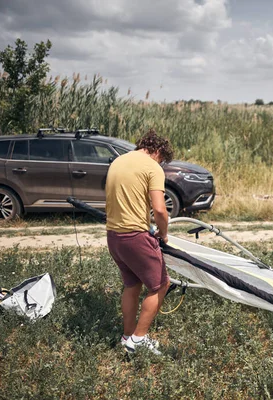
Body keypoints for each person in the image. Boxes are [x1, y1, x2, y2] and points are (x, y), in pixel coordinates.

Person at [105, 129, 174, 355]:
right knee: (161, 285)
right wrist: (163, 233)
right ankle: (139, 339)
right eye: (162, 160)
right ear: (157, 152)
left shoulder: (118, 161)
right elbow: (160, 210)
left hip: (114, 236)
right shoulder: (151, 167)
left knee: (132, 285)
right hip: (135, 237)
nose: (161, 164)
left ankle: (127, 335)